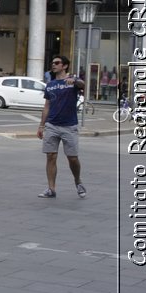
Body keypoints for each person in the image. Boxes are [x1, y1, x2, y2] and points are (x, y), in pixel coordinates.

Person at [38, 54, 86, 199]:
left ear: (64, 66)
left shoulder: (71, 81)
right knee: (51, 156)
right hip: (52, 124)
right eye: (53, 62)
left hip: (69, 125)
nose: (54, 65)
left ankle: (78, 181)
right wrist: (41, 125)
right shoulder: (50, 84)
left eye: (57, 63)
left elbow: (82, 85)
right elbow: (47, 106)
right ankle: (51, 189)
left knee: (72, 158)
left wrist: (75, 80)